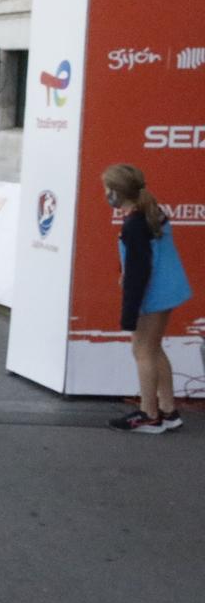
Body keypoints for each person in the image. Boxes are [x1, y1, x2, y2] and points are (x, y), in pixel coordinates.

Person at [102, 164, 190, 433]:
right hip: (169, 290)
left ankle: (149, 414)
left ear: (117, 193)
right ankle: (167, 409)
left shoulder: (134, 225)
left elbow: (138, 274)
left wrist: (130, 314)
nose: (105, 194)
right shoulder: (151, 213)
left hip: (153, 295)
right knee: (154, 349)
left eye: (107, 190)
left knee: (142, 352)